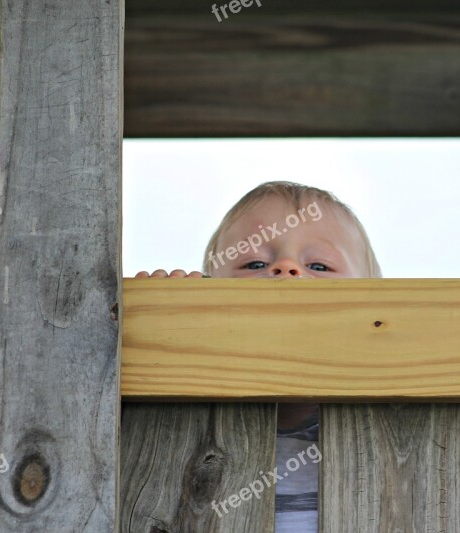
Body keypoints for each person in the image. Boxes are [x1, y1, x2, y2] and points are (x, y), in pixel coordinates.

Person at [134, 181, 381, 531]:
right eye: (252, 263)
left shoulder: (383, 424)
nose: (285, 266)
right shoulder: (179, 417)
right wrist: (161, 317)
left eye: (321, 266)